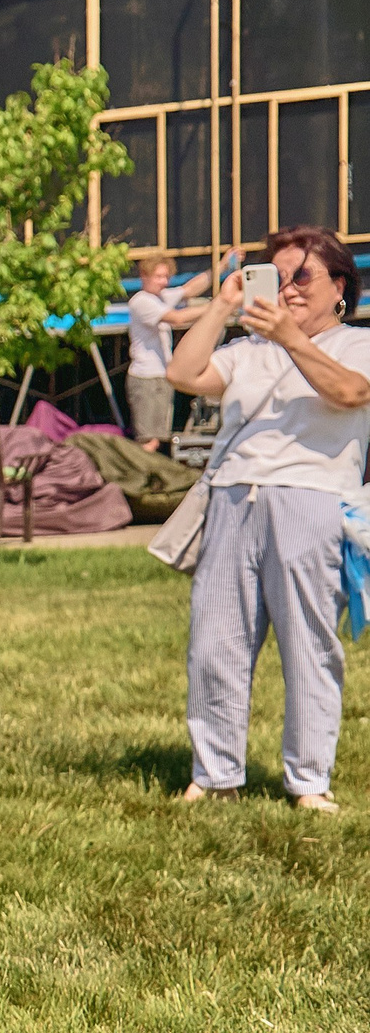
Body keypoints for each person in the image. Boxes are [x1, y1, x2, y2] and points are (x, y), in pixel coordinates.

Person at [166, 225, 370, 812]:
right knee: (216, 643)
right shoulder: (248, 351)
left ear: (340, 287)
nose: (288, 289)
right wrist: (222, 304)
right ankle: (215, 773)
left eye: (301, 275)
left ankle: (309, 780)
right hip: (232, 498)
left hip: (311, 499)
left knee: (309, 643)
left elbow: (351, 394)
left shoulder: (354, 344)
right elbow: (182, 375)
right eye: (276, 278)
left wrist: (290, 338)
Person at [127, 253, 218, 451]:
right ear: (144, 276)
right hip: (145, 378)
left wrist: (223, 265)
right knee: (148, 440)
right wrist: (218, 306)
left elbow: (189, 289)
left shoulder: (161, 297)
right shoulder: (141, 301)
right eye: (158, 277)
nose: (164, 281)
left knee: (161, 437)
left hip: (162, 376)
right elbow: (177, 318)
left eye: (166, 277)